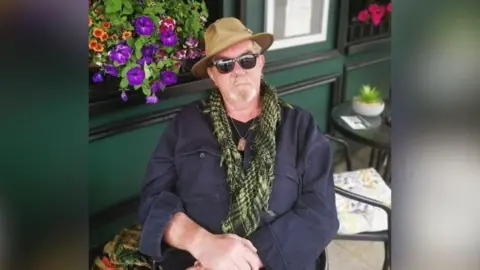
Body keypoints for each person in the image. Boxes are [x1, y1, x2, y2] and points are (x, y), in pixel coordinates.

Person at [138, 17, 339, 270]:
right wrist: (202, 244)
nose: (238, 71)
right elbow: (153, 200)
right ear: (213, 74)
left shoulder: (300, 126)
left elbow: (321, 213)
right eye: (224, 64)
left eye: (247, 60)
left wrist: (238, 262)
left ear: (261, 63)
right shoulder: (185, 124)